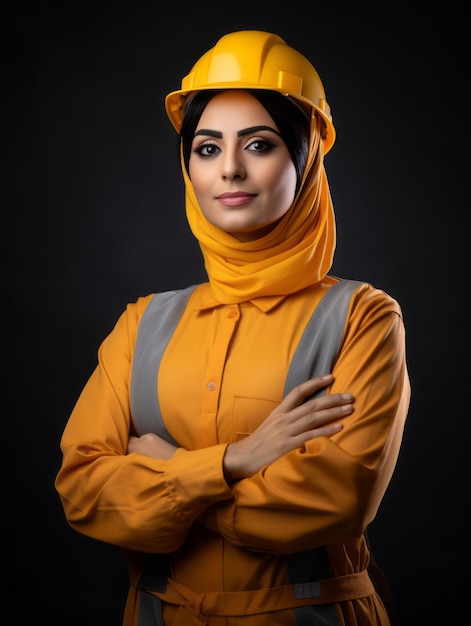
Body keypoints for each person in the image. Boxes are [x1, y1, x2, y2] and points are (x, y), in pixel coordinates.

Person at [55, 30, 410, 626]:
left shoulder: (362, 318)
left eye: (260, 144)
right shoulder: (143, 323)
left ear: (305, 159)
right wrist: (238, 461)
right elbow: (84, 492)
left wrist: (172, 473)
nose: (232, 170)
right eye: (208, 148)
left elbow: (333, 501)